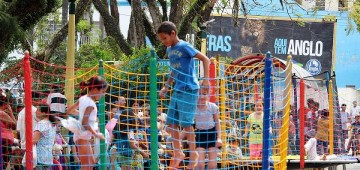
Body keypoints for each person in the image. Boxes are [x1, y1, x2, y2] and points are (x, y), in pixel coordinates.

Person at [157, 21, 210, 169]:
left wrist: (205, 80)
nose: (163, 42)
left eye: (164, 38)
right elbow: (173, 71)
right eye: (161, 39)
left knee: (186, 124)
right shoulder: (169, 50)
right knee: (171, 122)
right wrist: (166, 87)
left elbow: (205, 59)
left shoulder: (184, 46)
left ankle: (194, 154)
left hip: (189, 88)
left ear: (173, 33)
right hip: (177, 90)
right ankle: (178, 151)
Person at [66, 76, 107, 170]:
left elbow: (70, 110)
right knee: (87, 165)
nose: (103, 94)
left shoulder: (83, 98)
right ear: (96, 89)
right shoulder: (91, 104)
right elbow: (85, 123)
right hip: (82, 136)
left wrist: (70, 114)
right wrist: (96, 134)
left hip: (82, 135)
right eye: (103, 92)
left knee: (90, 164)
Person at [194, 87, 222, 170]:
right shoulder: (193, 108)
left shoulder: (212, 107)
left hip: (212, 133)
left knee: (212, 165)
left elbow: (217, 122)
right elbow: (189, 125)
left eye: (204, 94)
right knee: (199, 164)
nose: (201, 96)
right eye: (199, 94)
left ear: (208, 94)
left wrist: (219, 138)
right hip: (200, 134)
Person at [33, 104, 57, 170]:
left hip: (40, 157)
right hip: (48, 157)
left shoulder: (41, 123)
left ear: (44, 113)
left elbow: (34, 140)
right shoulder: (52, 124)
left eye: (38, 110)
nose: (35, 112)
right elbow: (54, 140)